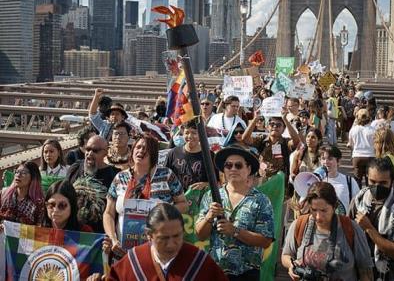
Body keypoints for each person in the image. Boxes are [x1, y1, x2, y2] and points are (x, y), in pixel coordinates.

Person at [195, 145, 274, 280]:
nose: (233, 169)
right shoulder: (211, 196)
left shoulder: (261, 201)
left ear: (248, 169)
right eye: (228, 165)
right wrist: (209, 216)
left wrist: (235, 231)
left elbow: (266, 241)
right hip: (216, 270)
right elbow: (200, 235)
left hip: (247, 273)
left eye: (238, 165)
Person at [104, 135, 188, 256]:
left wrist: (164, 210)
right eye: (138, 147)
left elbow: (183, 204)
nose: (141, 151)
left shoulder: (166, 175)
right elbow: (109, 213)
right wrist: (113, 239)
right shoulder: (120, 178)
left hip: (158, 250)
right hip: (123, 250)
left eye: (146, 148)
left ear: (153, 153)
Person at [106, 203, 228, 281]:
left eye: (177, 236)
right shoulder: (134, 261)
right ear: (149, 235)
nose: (171, 244)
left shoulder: (199, 261)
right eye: (163, 238)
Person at [349, 158, 394, 280]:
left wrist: (369, 228)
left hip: (389, 274)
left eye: (383, 183)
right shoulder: (359, 200)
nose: (377, 187)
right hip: (360, 271)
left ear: (393, 182)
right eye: (372, 182)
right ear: (366, 177)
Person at [281, 182, 373, 281]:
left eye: (324, 211)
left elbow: (366, 271)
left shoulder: (351, 228)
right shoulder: (299, 225)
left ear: (335, 207)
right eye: (314, 210)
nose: (318, 217)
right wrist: (292, 266)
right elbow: (286, 255)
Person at [67, 135, 120, 232]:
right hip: (73, 234)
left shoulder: (116, 176)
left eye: (95, 151)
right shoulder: (75, 169)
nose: (89, 153)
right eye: (87, 149)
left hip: (99, 237)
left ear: (106, 152)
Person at [242, 109, 300, 185]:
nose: (275, 127)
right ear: (267, 127)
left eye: (278, 125)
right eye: (272, 124)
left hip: (279, 182)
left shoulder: (286, 142)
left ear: (283, 129)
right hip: (262, 181)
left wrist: (285, 119)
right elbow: (245, 138)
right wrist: (255, 119)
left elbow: (296, 141)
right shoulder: (262, 139)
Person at [165, 120, 218, 191]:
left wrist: (205, 184)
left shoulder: (209, 155)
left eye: (194, 133)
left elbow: (219, 182)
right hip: (177, 200)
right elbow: (165, 177)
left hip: (201, 199)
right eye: (186, 133)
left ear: (200, 134)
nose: (190, 136)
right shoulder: (173, 153)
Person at [0, 161, 44, 226]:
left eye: (23, 173)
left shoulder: (39, 202)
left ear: (33, 177)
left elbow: (40, 229)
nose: (18, 175)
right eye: (17, 172)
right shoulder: (4, 194)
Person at [319, 146, 360, 214]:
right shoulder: (316, 179)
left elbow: (358, 205)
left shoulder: (349, 181)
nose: (326, 162)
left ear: (338, 161)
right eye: (323, 158)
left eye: (330, 159)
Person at [348, 108, 375, 187]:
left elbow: (351, 143)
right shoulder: (373, 130)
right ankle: (369, 196)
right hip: (370, 156)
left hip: (357, 156)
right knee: (369, 180)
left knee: (357, 180)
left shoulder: (353, 130)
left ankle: (358, 196)